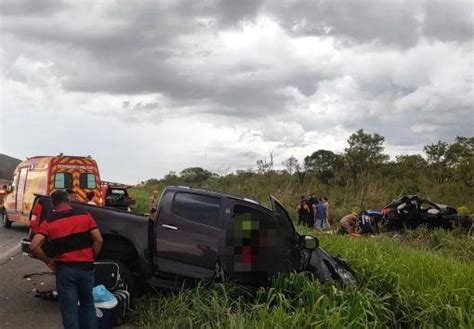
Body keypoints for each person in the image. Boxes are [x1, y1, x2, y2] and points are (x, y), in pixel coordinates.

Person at [30, 190, 103, 329]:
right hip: (86, 269)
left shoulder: (49, 222)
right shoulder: (85, 216)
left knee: (69, 311)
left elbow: (34, 246)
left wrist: (48, 260)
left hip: (65, 270)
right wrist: (91, 257)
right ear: (68, 200)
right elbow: (98, 239)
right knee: (88, 305)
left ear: (53, 204)